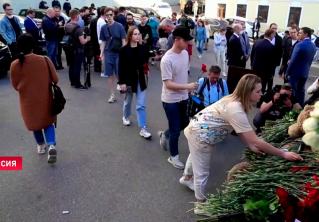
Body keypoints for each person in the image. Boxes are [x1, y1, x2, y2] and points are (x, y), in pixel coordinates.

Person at [179, 74, 303, 214]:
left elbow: (241, 131)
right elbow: (255, 139)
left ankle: (187, 177)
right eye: (257, 91)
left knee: (195, 156)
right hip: (200, 136)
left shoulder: (235, 99)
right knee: (202, 172)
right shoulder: (236, 109)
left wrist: (249, 144)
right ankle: (200, 205)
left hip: (195, 128)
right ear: (247, 91)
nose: (261, 94)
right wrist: (283, 153)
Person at [10, 33, 60, 164]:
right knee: (48, 122)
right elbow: (55, 79)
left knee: (35, 124)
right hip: (46, 97)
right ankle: (51, 145)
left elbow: (15, 86)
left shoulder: (15, 64)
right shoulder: (44, 59)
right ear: (33, 45)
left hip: (28, 101)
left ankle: (41, 146)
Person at [159, 26, 198, 169]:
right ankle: (173, 157)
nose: (188, 43)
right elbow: (168, 84)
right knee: (176, 129)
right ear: (177, 40)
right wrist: (187, 87)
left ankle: (165, 134)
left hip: (184, 97)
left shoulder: (185, 53)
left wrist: (188, 90)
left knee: (184, 124)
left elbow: (183, 74)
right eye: (186, 40)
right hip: (170, 100)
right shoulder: (166, 60)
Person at [118, 27, 152, 139]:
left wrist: (156, 56)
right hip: (128, 79)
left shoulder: (142, 48)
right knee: (128, 101)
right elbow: (121, 67)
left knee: (141, 105)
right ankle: (125, 116)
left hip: (140, 79)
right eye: (135, 34)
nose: (137, 36)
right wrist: (121, 82)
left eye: (139, 34)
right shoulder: (123, 50)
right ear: (130, 36)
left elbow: (146, 60)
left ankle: (143, 128)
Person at [99, 7, 126, 103]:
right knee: (110, 75)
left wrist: (124, 54)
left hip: (118, 53)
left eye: (111, 15)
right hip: (108, 53)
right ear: (105, 16)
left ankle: (124, 93)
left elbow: (123, 41)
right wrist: (101, 54)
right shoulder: (103, 28)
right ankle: (112, 95)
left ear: (113, 15)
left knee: (119, 73)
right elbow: (103, 42)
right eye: (107, 15)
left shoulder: (120, 26)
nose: (109, 17)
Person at [286, 27, 316, 106]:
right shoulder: (313, 45)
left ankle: (292, 109)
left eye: (300, 33)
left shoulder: (300, 45)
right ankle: (301, 106)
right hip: (305, 72)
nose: (298, 34)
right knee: (301, 91)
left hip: (295, 73)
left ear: (306, 34)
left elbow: (292, 61)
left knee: (292, 92)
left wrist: (287, 72)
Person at [65, 9, 91, 89]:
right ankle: (77, 84)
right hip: (77, 50)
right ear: (76, 16)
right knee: (77, 67)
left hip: (69, 49)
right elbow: (82, 42)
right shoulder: (78, 28)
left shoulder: (67, 25)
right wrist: (88, 39)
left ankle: (72, 82)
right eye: (79, 16)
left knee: (71, 66)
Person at [251, 29, 277, 93]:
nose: (274, 36)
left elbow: (252, 55)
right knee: (262, 86)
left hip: (255, 68)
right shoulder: (271, 47)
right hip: (265, 71)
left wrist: (252, 65)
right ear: (271, 35)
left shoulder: (257, 42)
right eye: (274, 34)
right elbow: (272, 62)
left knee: (253, 85)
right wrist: (271, 73)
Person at [96, 6, 107, 77]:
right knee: (103, 57)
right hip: (103, 41)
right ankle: (103, 72)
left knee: (103, 57)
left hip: (101, 41)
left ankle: (104, 72)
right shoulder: (102, 22)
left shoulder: (100, 20)